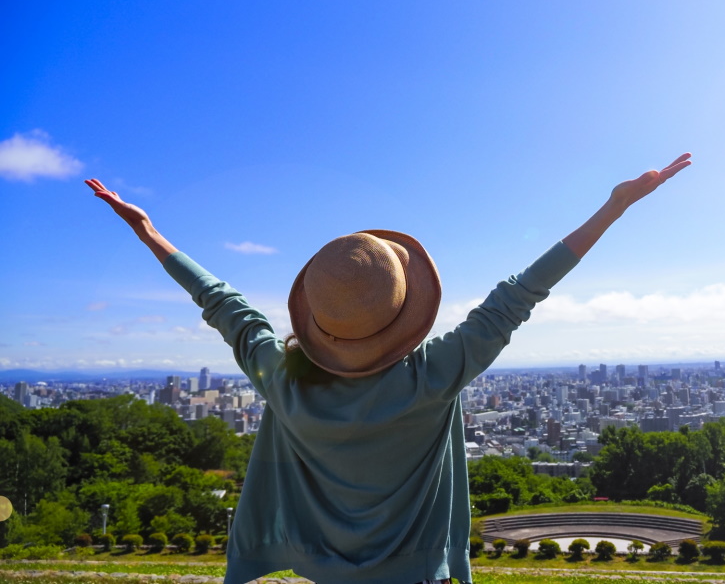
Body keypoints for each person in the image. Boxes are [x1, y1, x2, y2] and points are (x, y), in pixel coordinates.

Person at [85, 152, 691, 584]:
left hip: (322, 571)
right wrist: (614, 206)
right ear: (406, 312)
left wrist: (149, 232)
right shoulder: (430, 378)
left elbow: (224, 304)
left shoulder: (283, 381)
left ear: (319, 318)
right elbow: (518, 295)